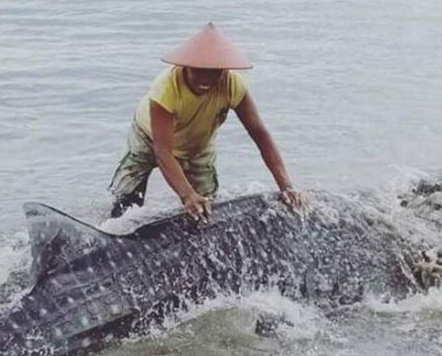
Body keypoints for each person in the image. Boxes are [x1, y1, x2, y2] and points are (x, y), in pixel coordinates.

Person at [108, 22, 302, 219]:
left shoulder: (232, 85)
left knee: (206, 205)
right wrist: (186, 195)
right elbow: (163, 151)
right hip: (150, 138)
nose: (206, 79)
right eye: (199, 70)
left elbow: (261, 135)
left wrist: (286, 185)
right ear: (186, 66)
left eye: (215, 72)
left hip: (197, 145)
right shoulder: (166, 89)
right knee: (126, 199)